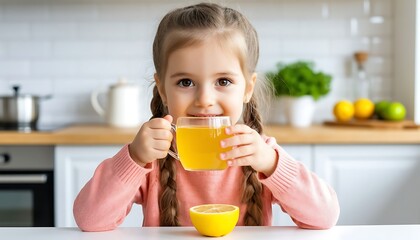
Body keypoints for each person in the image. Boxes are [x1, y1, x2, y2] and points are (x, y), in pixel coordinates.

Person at [73, 2, 340, 231]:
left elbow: (325, 217)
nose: (204, 100)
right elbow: (89, 220)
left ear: (247, 88)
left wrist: (272, 164)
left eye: (223, 81)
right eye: (186, 82)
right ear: (162, 89)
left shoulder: (261, 155)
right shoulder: (150, 158)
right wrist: (133, 157)